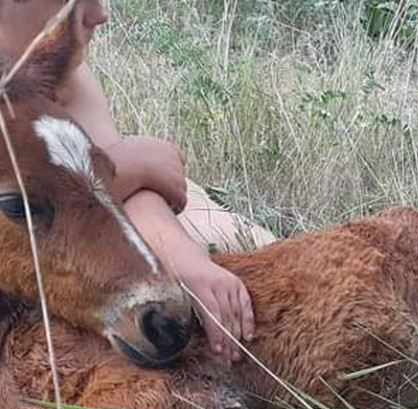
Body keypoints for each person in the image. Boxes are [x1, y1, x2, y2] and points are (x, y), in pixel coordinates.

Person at [0, 0, 277, 362]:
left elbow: (117, 192)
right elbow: (99, 184)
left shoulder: (58, 77)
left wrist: (182, 256)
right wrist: (132, 164)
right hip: (68, 235)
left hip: (92, 229)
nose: (100, 13)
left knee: (238, 239)